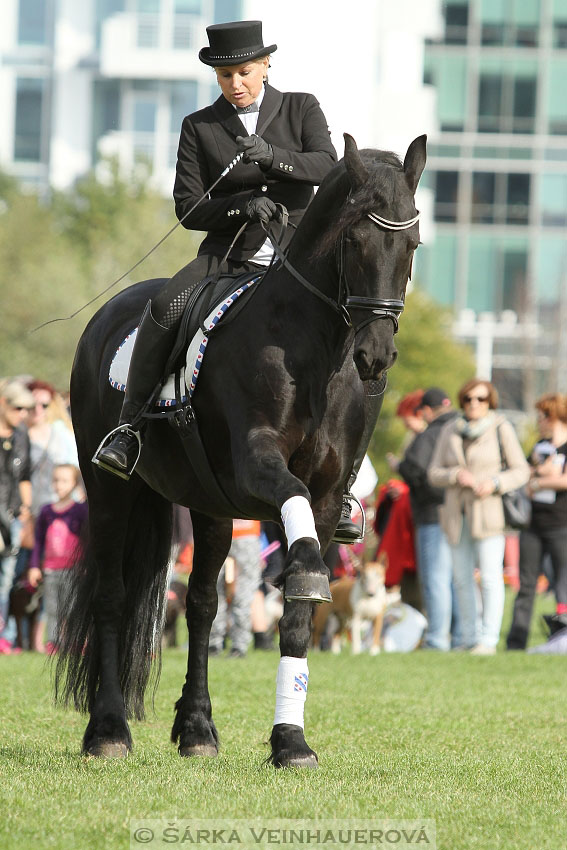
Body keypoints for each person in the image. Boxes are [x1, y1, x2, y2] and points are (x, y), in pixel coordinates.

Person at [94, 19, 337, 481]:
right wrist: (243, 205)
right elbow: (188, 208)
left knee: (360, 325)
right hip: (229, 255)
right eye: (225, 76)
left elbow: (328, 165)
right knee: (166, 305)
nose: (235, 84)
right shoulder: (200, 126)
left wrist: (272, 157)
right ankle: (129, 428)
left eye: (244, 72)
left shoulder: (302, 107)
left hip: (301, 256)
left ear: (265, 65)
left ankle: (346, 479)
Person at [428, 379, 529, 654]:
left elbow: (521, 470)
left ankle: (488, 639)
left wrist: (495, 483)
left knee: (490, 577)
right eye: (469, 398)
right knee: (461, 577)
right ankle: (468, 637)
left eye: (481, 399)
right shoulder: (450, 428)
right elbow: (433, 472)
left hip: (489, 513)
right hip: (456, 514)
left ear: (490, 402)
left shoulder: (501, 427)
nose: (474, 403)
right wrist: (455, 475)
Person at [398, 387, 461, 650]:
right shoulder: (460, 428)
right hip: (458, 513)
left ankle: (437, 638)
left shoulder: (432, 432)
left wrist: (400, 468)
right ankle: (462, 635)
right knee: (455, 578)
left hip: (432, 514)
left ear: (425, 410)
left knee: (435, 578)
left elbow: (413, 466)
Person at [507, 393, 567, 649]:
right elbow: (525, 476)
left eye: (543, 416)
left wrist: (539, 479)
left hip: (561, 524)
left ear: (555, 417)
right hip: (534, 524)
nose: (539, 421)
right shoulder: (540, 445)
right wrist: (540, 475)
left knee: (563, 582)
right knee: (526, 583)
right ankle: (516, 642)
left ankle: (561, 637)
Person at [27, 464, 87, 653]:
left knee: (72, 607)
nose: (59, 485)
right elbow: (38, 542)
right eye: (56, 480)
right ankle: (53, 642)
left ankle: (75, 642)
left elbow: (87, 541)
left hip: (74, 570)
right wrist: (34, 566)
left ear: (75, 484)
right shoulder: (46, 511)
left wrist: (86, 565)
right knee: (52, 608)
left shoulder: (80, 511)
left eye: (64, 481)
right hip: (51, 570)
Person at [0, 380, 33, 645]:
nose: (23, 414)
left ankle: (4, 637)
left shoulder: (21, 436)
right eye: (18, 408)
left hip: (12, 518)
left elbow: (24, 476)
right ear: (3, 403)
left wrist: (26, 512)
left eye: (26, 409)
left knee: (7, 580)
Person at [209, 518, 263, 657]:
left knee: (216, 591)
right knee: (239, 593)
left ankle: (218, 644)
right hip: (242, 534)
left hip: (222, 531)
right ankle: (236, 646)